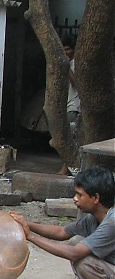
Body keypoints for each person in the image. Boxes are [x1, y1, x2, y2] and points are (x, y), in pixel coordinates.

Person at [10, 166, 115, 279]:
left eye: (79, 195)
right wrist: (25, 223)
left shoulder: (112, 221)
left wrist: (30, 236)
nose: (75, 199)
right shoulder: (94, 218)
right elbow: (62, 232)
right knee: (76, 241)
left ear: (95, 197)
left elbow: (74, 254)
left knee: (83, 260)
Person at [57, 36, 81, 175]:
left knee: (70, 139)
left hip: (73, 106)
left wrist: (66, 68)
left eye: (68, 49)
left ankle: (65, 168)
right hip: (67, 105)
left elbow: (77, 84)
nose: (65, 52)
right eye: (63, 49)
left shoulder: (74, 64)